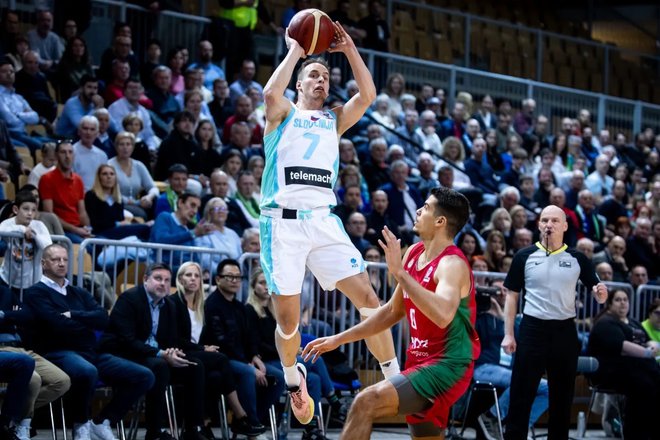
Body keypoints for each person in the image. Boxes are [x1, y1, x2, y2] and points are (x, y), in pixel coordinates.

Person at [260, 20, 399, 427]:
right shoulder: (282, 114)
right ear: (299, 85)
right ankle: (292, 380)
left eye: (325, 76)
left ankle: (394, 381)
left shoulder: (333, 120)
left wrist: (350, 49)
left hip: (323, 222)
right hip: (281, 226)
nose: (321, 80)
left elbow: (368, 94)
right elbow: (270, 92)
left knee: (370, 301)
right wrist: (297, 52)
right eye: (313, 76)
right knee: (288, 322)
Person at [303, 187, 480, 439]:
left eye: (426, 208)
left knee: (365, 401)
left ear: (440, 221)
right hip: (419, 361)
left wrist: (400, 274)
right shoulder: (414, 253)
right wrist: (338, 339)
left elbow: (443, 314)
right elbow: (391, 312)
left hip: (448, 365)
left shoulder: (452, 264)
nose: (418, 211)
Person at [24, 244, 155, 440]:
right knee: (87, 371)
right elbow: (55, 324)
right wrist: (85, 325)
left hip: (90, 352)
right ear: (43, 264)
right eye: (55, 259)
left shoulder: (79, 291)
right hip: (57, 352)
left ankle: (102, 421)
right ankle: (81, 426)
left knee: (144, 375)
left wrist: (73, 315)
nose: (61, 263)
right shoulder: (36, 292)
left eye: (65, 259)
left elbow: (103, 318)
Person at [501, 204, 608, 439]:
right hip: (532, 329)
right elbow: (511, 295)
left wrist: (601, 293)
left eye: (555, 220)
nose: (549, 224)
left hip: (564, 332)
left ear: (565, 225)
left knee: (562, 397)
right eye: (545, 220)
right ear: (539, 224)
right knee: (521, 394)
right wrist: (509, 334)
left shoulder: (578, 258)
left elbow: (597, 289)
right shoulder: (524, 256)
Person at [99, 263, 209, 440]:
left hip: (154, 355)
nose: (163, 284)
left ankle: (192, 429)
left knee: (194, 366)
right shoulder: (130, 299)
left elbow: (171, 339)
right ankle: (154, 432)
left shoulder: (168, 305)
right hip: (124, 354)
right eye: (158, 278)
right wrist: (162, 354)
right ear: (145, 280)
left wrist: (172, 353)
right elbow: (127, 340)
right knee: (159, 366)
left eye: (167, 280)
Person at [246, 268, 346, 440]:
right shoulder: (249, 310)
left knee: (314, 380)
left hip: (281, 358)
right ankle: (334, 401)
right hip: (266, 361)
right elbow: (256, 344)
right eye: (261, 283)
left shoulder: (273, 311)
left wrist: (292, 349)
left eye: (267, 283)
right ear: (253, 286)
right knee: (315, 360)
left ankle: (311, 429)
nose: (265, 287)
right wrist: (287, 351)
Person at [169, 262, 265, 438]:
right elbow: (177, 339)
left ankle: (202, 425)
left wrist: (253, 356)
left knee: (215, 377)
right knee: (229, 364)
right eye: (188, 275)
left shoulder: (201, 304)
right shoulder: (178, 303)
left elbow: (249, 336)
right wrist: (203, 348)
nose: (193, 279)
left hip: (203, 356)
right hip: (189, 354)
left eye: (196, 276)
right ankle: (242, 416)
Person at [203, 259, 285, 431]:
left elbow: (250, 338)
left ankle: (255, 421)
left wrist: (254, 356)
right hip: (222, 358)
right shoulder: (212, 305)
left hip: (243, 358)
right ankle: (249, 421)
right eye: (229, 277)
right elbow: (221, 341)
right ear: (218, 279)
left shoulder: (239, 307)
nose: (235, 280)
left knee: (278, 378)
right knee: (249, 373)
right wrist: (247, 363)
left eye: (238, 277)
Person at [473, 281, 548, 440]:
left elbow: (523, 340)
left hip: (508, 371)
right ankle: (491, 416)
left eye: (505, 290)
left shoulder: (514, 321)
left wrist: (502, 316)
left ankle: (519, 427)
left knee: (548, 388)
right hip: (485, 368)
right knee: (520, 379)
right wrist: (483, 310)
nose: (501, 294)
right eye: (497, 290)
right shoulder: (481, 318)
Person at [587, 289, 660, 440]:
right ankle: (636, 433)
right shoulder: (605, 323)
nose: (623, 303)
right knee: (644, 383)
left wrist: (653, 346)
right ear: (609, 304)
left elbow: (648, 339)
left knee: (652, 378)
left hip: (635, 368)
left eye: (625, 300)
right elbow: (623, 346)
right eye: (618, 300)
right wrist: (648, 353)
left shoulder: (632, 321)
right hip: (610, 371)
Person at [39, 140, 93, 244]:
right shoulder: (47, 179)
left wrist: (87, 229)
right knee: (89, 248)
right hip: (61, 231)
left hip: (78, 229)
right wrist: (76, 230)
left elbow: (82, 212)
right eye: (63, 152)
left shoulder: (78, 180)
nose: (67, 156)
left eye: (70, 152)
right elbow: (50, 215)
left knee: (101, 245)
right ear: (56, 155)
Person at [0, 191, 52, 292]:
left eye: (33, 210)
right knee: (10, 307)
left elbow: (48, 248)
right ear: (16, 209)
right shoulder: (7, 223)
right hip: (7, 279)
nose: (30, 213)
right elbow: (1, 230)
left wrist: (35, 236)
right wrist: (22, 229)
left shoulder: (39, 225)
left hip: (32, 282)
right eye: (25, 209)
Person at [83, 164, 151, 240]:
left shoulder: (118, 198)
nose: (109, 177)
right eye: (104, 174)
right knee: (144, 229)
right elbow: (95, 222)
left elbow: (121, 219)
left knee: (146, 229)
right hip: (100, 233)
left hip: (117, 232)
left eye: (112, 174)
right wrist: (117, 224)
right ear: (99, 177)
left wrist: (122, 224)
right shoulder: (91, 195)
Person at [108, 131, 160, 220]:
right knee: (141, 214)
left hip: (138, 203)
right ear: (116, 147)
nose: (125, 148)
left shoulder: (138, 165)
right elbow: (110, 193)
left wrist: (149, 197)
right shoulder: (109, 165)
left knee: (157, 204)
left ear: (133, 147)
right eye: (122, 144)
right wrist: (138, 203)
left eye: (128, 144)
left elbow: (153, 188)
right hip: (117, 204)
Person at [195, 197, 242, 269]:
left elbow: (240, 257)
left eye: (223, 209)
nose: (220, 211)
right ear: (209, 212)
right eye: (216, 209)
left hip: (235, 274)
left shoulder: (233, 234)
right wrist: (223, 272)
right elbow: (205, 260)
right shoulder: (203, 232)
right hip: (216, 275)